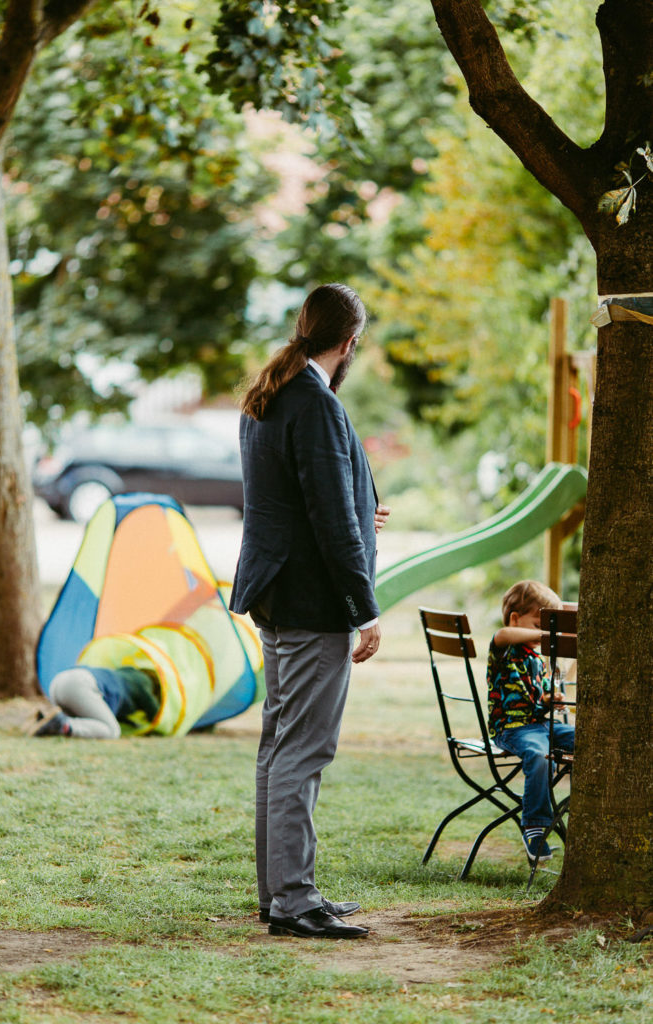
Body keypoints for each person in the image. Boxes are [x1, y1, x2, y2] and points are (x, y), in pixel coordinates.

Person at [230, 283, 389, 940]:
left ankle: (281, 894)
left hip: (275, 593)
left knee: (278, 747)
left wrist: (359, 505)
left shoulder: (271, 394)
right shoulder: (313, 403)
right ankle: (294, 902)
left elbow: (301, 499)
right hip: (309, 602)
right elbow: (328, 523)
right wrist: (365, 609)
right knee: (302, 748)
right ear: (349, 341)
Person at [487, 580, 575, 863]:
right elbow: (502, 633)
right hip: (512, 729)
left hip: (540, 726)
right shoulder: (504, 649)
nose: (545, 634)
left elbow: (540, 697)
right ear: (516, 618)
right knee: (539, 754)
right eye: (539, 626)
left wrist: (552, 699)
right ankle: (535, 827)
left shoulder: (538, 657)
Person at [26, 665, 161, 739]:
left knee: (91, 719)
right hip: (79, 685)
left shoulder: (124, 674)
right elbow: (157, 715)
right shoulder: (144, 685)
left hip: (59, 681)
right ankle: (63, 724)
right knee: (113, 731)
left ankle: (45, 720)